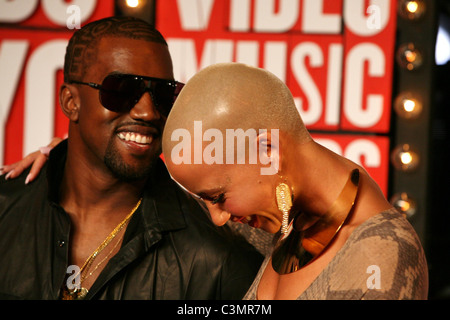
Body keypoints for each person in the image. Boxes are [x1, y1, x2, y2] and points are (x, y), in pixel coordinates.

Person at [0, 17, 263, 300]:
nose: (148, 112)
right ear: (70, 102)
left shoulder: (216, 260)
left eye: (163, 94)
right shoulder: (7, 206)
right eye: (122, 91)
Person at [160, 63, 429, 299]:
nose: (218, 218)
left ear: (268, 151)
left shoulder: (380, 256)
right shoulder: (284, 219)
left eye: (218, 197)